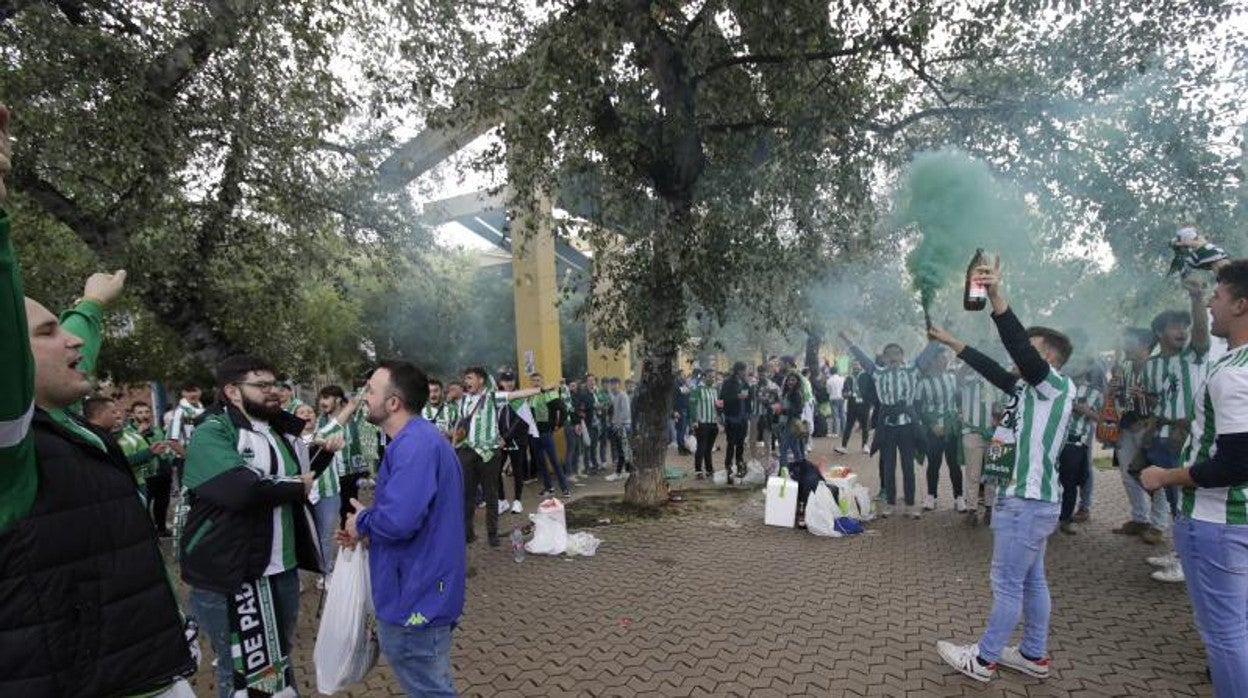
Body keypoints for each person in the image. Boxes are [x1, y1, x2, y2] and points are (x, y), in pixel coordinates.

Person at [0, 102, 197, 695]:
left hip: (143, 669)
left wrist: (91, 304)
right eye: (45, 332)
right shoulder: (11, 453)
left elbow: (68, 355)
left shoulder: (53, 419)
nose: (70, 342)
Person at [928, 257, 1074, 684]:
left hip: (1025, 501)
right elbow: (991, 368)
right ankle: (1032, 655)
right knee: (1032, 582)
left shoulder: (1052, 386)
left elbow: (1016, 349)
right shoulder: (1031, 391)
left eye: (1030, 348)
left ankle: (985, 659)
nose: (1018, 354)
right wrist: (949, 340)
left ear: (1048, 357)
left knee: (1007, 583)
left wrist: (995, 295)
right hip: (1034, 501)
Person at [180, 354, 341, 697]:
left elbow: (298, 476)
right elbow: (241, 490)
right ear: (233, 391)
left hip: (282, 570)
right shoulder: (212, 430)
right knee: (236, 668)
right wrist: (298, 485)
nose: (275, 392)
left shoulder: (278, 429)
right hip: (228, 571)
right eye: (262, 386)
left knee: (278, 659)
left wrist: (323, 455)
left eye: (275, 384)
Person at [1140, 259, 1248, 697]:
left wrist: (1166, 475)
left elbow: (1236, 463)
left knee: (1225, 635)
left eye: (1216, 297)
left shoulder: (1233, 372)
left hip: (1217, 522)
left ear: (1240, 305)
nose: (1209, 305)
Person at [339, 360, 465, 697]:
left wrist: (363, 521)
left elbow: (399, 522)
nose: (364, 398)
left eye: (371, 391)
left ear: (393, 402)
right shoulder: (420, 440)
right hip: (422, 589)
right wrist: (367, 524)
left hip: (416, 597)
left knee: (430, 690)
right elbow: (409, 513)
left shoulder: (414, 445)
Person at [841, 331, 938, 518]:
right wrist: (847, 340)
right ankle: (891, 503)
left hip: (907, 425)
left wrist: (939, 337)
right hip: (887, 425)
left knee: (908, 466)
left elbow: (928, 352)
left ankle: (910, 504)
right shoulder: (877, 373)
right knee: (888, 466)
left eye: (897, 353)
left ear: (902, 356)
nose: (893, 357)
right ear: (884, 358)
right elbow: (861, 357)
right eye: (889, 354)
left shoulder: (913, 370)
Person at [916, 348, 965, 512]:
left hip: (951, 428)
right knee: (934, 463)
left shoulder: (952, 378)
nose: (944, 361)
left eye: (946, 358)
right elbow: (918, 408)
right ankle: (931, 496)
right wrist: (931, 424)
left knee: (954, 464)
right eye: (941, 358)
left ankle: (959, 497)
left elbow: (959, 401)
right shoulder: (923, 382)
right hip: (933, 429)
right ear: (932, 361)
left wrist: (960, 413)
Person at [1057, 360, 1102, 535]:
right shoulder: (1060, 385)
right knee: (1051, 480)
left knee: (1070, 484)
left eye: (1080, 363)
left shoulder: (1095, 392)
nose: (1075, 367)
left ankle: (1066, 519)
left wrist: (1084, 410)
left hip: (1075, 443)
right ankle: (1048, 515)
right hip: (1054, 441)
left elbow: (1100, 418)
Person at [958, 362, 996, 526]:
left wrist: (997, 420)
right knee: (973, 474)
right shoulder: (967, 379)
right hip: (972, 433)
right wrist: (969, 360)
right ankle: (972, 510)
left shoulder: (996, 382)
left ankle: (990, 509)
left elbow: (1000, 406)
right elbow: (958, 377)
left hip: (993, 436)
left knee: (992, 474)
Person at [527, 371, 568, 497]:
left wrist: (558, 425)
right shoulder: (530, 396)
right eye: (533, 381)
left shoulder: (549, 394)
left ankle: (565, 489)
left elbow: (562, 409)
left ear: (542, 382)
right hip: (534, 435)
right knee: (540, 463)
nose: (535, 383)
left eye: (538, 380)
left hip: (546, 433)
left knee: (554, 461)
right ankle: (548, 487)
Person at [720, 361, 752, 481]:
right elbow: (722, 398)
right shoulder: (728, 382)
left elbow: (749, 397)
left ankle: (739, 464)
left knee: (740, 443)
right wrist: (736, 397)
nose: (746, 372)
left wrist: (749, 411)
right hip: (732, 417)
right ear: (739, 370)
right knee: (731, 443)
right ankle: (728, 466)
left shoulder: (745, 382)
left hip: (743, 417)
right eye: (745, 370)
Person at [836, 360, 874, 455]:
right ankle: (844, 446)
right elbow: (844, 391)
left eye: (856, 364)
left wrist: (869, 401)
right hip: (852, 405)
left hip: (864, 405)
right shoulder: (848, 378)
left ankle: (865, 445)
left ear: (861, 365)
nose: (855, 367)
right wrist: (845, 394)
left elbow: (871, 390)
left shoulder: (866, 376)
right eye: (853, 365)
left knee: (865, 425)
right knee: (848, 425)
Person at [688, 370, 720, 479]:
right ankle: (698, 470)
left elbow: (718, 405)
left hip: (713, 422)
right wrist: (694, 420)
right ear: (704, 377)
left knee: (709, 448)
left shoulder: (715, 390)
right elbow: (692, 405)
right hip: (702, 423)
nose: (712, 379)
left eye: (713, 377)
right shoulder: (698, 390)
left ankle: (709, 469)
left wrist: (720, 416)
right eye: (710, 377)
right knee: (701, 447)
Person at [605, 377, 633, 481]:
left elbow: (625, 412)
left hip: (623, 427)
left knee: (622, 450)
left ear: (618, 384)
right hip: (618, 426)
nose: (612, 386)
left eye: (613, 384)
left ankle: (618, 473)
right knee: (623, 450)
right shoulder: (616, 396)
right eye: (610, 384)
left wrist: (618, 424)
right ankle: (627, 471)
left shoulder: (623, 396)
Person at [826, 367, 846, 438]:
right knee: (843, 415)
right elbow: (844, 388)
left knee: (835, 416)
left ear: (831, 372)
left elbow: (828, 391)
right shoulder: (842, 379)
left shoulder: (829, 380)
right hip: (841, 397)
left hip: (833, 398)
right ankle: (844, 431)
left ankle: (836, 432)